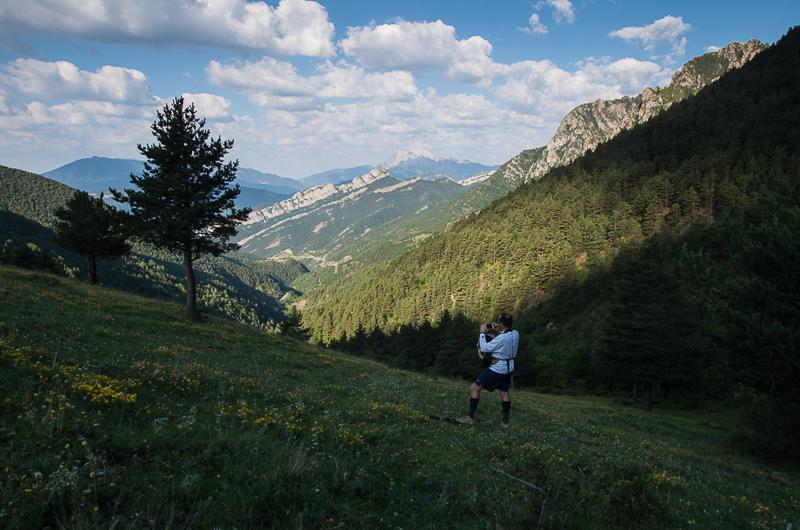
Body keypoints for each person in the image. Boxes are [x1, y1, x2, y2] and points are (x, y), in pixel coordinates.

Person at [457, 313, 519, 428]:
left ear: (501, 323)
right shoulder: (515, 334)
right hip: (509, 367)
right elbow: (505, 336)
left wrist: (482, 333)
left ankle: (470, 417)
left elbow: (485, 347)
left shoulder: (502, 338)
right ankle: (505, 422)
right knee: (504, 392)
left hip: (498, 368)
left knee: (475, 387)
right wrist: (499, 330)